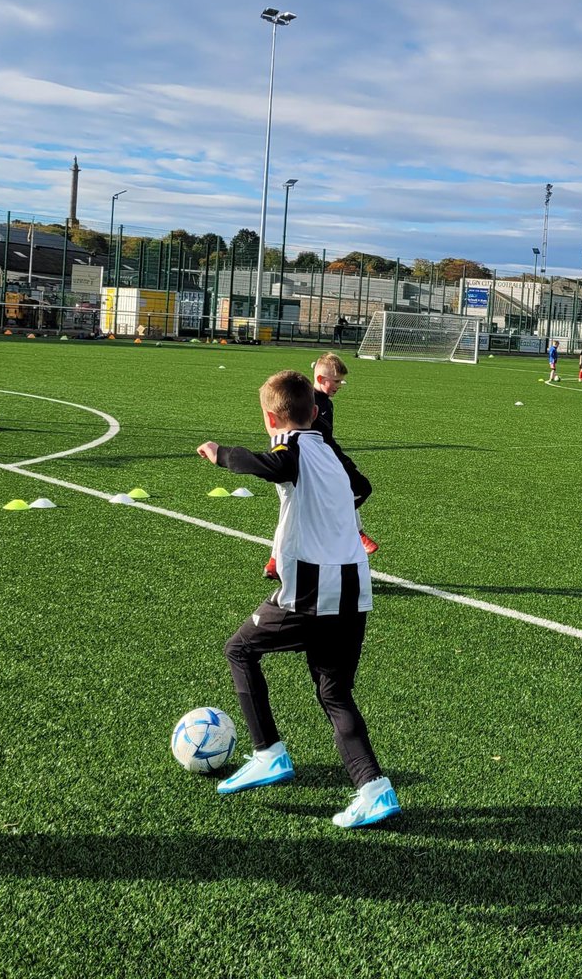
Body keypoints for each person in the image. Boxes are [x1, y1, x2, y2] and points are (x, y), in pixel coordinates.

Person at [196, 369, 400, 827]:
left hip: (313, 588)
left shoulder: (290, 448)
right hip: (354, 586)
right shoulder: (329, 448)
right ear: (314, 410)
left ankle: (268, 753)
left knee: (239, 649)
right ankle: (374, 790)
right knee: (334, 693)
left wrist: (220, 454)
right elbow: (361, 487)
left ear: (272, 418)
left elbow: (274, 465)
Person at [313, 352, 379, 556]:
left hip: (328, 457)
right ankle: (352, 532)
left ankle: (350, 531)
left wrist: (341, 459)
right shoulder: (306, 400)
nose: (339, 385)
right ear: (320, 379)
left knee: (355, 490)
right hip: (313, 461)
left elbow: (326, 437)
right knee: (295, 512)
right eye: (336, 381)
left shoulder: (326, 402)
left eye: (341, 381)